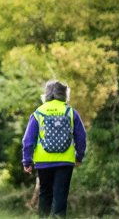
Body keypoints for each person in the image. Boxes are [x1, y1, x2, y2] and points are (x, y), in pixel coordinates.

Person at [22, 79, 87, 217]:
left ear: (46, 94)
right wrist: (79, 156)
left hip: (43, 161)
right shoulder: (70, 112)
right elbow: (81, 137)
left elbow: (28, 140)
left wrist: (27, 161)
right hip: (65, 162)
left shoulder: (39, 112)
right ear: (64, 94)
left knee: (45, 193)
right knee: (61, 195)